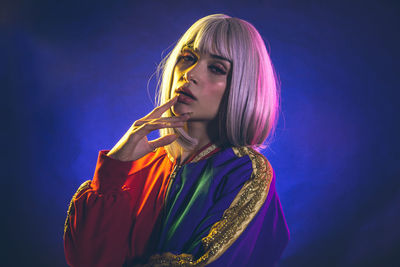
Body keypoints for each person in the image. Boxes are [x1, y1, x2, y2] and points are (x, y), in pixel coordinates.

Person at [63, 14, 289, 267]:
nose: (190, 74)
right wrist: (115, 167)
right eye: (188, 58)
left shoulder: (243, 171)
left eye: (216, 68)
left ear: (241, 87)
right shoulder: (139, 165)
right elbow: (87, 260)